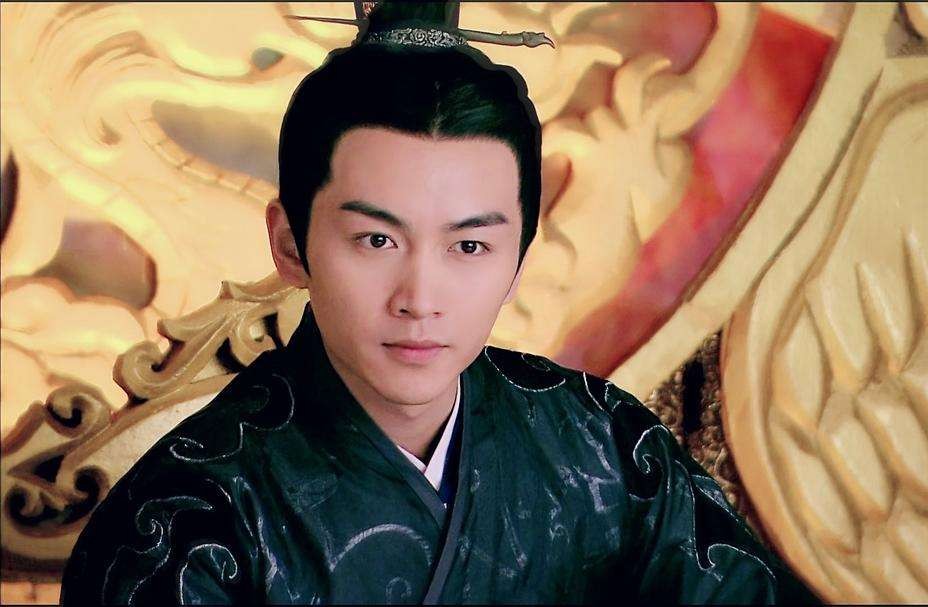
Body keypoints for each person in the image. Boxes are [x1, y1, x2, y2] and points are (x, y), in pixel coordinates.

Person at [60, 2, 819, 603]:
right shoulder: (187, 525)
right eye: (376, 240)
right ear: (291, 245)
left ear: (519, 257)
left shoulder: (605, 446)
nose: (420, 300)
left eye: (470, 247)